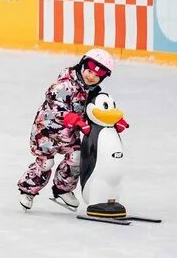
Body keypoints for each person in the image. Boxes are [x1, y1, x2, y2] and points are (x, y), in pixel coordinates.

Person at [17, 49, 115, 211]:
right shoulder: (66, 84)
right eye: (89, 71)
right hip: (46, 132)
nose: (91, 76)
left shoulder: (92, 91)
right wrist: (75, 119)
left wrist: (111, 121)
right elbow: (54, 102)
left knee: (76, 158)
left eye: (96, 76)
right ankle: (27, 190)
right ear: (82, 66)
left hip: (68, 134)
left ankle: (62, 189)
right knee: (46, 163)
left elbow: (96, 109)